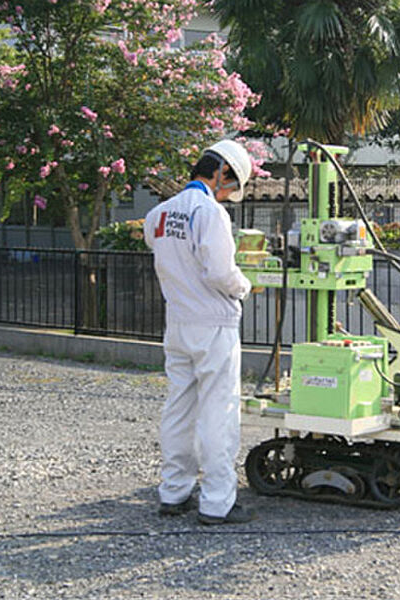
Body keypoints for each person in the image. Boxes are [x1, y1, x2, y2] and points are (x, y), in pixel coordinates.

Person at [143, 139, 258, 525]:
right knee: (218, 412)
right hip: (214, 324)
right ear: (221, 172)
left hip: (178, 323)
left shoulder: (158, 214)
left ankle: (173, 492)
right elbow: (221, 273)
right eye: (229, 186)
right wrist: (245, 286)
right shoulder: (210, 213)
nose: (227, 196)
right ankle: (217, 502)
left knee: (178, 408)